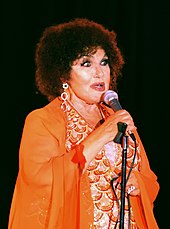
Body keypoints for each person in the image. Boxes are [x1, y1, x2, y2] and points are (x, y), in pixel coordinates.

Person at [8, 18, 159, 229]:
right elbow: (41, 181)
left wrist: (137, 183)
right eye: (86, 63)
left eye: (104, 62)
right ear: (63, 75)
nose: (99, 72)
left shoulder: (116, 117)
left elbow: (150, 178)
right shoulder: (43, 120)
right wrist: (102, 135)